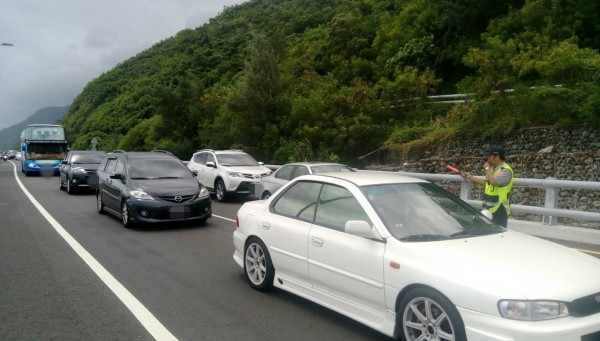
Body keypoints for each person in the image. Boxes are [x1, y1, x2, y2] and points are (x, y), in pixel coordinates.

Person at [460, 145, 514, 227]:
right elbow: (486, 183)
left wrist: (487, 168)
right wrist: (470, 177)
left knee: (498, 235)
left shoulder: (505, 171)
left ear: (497, 157)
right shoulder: (493, 169)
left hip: (500, 210)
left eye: (489, 156)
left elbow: (493, 181)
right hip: (488, 207)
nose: (487, 159)